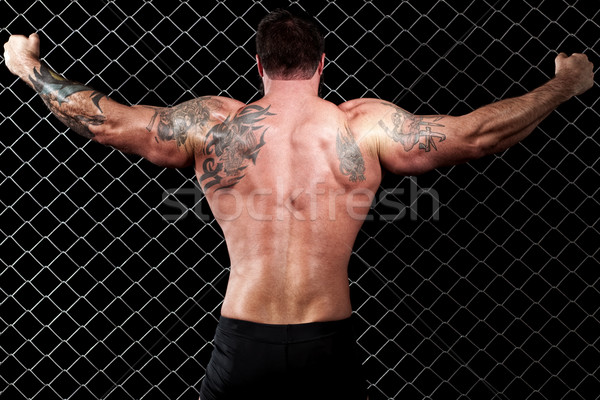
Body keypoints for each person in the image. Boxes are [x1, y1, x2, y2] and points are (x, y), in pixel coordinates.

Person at [4, 8, 594, 400]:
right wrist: (565, 84)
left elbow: (103, 121)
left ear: (258, 66)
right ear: (321, 66)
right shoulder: (363, 124)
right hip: (326, 344)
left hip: (242, 343)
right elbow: (475, 135)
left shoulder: (215, 124)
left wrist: (28, 67)